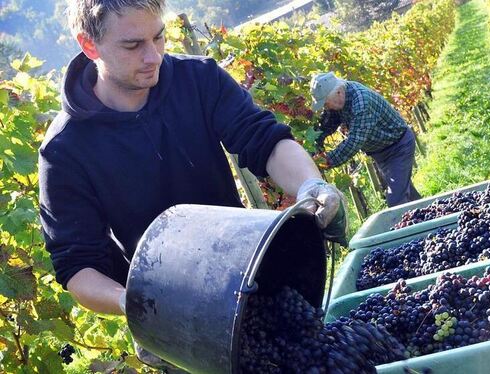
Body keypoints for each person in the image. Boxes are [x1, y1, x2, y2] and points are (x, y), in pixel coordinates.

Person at [38, 0, 346, 371]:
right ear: (89, 45)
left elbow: (263, 139)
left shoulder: (197, 79)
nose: (153, 56)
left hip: (256, 278)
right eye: (134, 45)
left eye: (159, 36)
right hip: (176, 323)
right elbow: (77, 266)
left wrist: (311, 184)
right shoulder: (64, 150)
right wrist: (137, 308)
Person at [310, 72, 421, 207]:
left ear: (338, 92)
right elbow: (327, 124)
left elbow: (354, 142)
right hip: (380, 152)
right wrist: (313, 143)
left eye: (326, 104)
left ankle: (407, 226)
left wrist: (325, 162)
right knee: (406, 193)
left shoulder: (362, 102)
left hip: (398, 147)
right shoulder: (341, 98)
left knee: (396, 200)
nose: (326, 108)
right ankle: (431, 217)